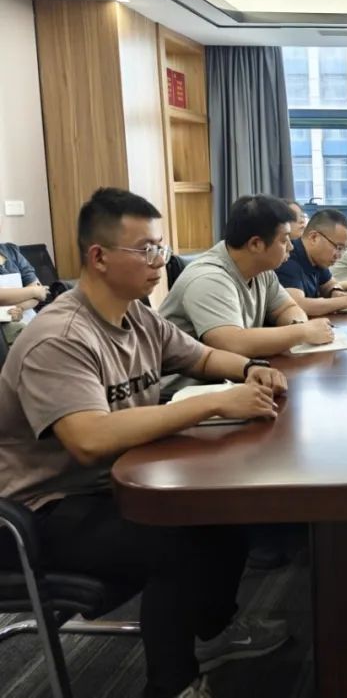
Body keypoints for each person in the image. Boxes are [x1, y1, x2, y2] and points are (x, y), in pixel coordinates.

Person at [0, 188, 291, 698]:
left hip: (113, 483)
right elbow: (88, 439)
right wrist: (212, 404)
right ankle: (173, 685)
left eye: (161, 247)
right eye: (147, 250)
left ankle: (213, 635)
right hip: (44, 507)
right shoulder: (61, 336)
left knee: (222, 513)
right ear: (99, 257)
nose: (161, 261)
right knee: (176, 546)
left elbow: (200, 357)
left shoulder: (137, 315)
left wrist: (251, 369)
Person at [160, 195, 333, 359]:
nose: (291, 247)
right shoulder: (209, 279)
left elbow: (287, 308)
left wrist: (298, 326)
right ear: (256, 244)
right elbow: (231, 344)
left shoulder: (262, 270)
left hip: (236, 372)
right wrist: (302, 332)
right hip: (187, 380)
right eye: (283, 240)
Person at [275, 208, 347, 317]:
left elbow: (330, 284)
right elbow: (297, 305)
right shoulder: (288, 258)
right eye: (338, 247)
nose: (339, 256)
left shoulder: (318, 259)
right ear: (314, 237)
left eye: (343, 249)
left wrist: (335, 292)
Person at [0, 226, 48, 345]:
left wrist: (19, 308)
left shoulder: (11, 251)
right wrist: (34, 291)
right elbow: (38, 291)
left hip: (26, 317)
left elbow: (38, 291)